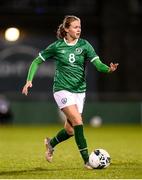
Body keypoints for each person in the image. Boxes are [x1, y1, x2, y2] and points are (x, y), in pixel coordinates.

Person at [22, 15, 118, 169]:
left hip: (80, 91)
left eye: (79, 27)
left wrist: (108, 69)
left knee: (70, 130)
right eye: (75, 27)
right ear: (66, 29)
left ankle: (50, 143)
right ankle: (87, 161)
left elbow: (98, 65)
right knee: (78, 122)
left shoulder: (85, 45)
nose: (78, 30)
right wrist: (29, 80)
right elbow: (36, 61)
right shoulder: (57, 46)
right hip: (62, 90)